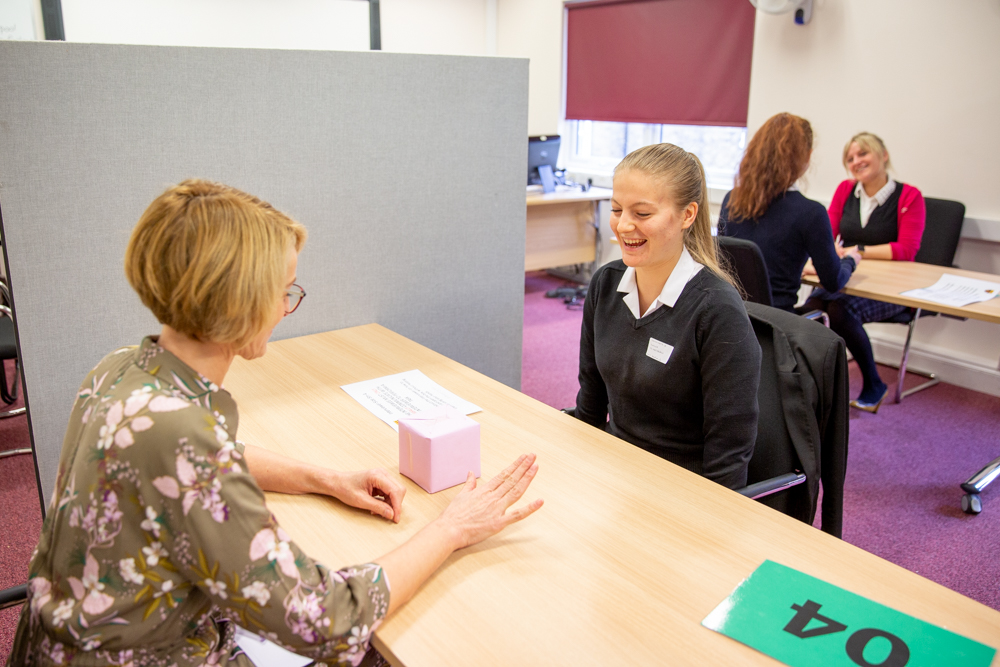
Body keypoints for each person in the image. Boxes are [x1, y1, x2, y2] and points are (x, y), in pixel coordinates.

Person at [9, 180, 543, 666]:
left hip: (59, 640)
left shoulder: (122, 368)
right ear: (239, 301)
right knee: (387, 648)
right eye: (285, 290)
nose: (288, 306)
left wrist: (324, 478)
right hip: (147, 655)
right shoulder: (181, 437)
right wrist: (451, 528)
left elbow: (212, 456)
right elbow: (326, 619)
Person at [574, 144, 761, 490]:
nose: (623, 225)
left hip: (680, 491)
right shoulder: (605, 284)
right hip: (614, 474)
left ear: (688, 215)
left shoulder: (716, 312)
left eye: (642, 214)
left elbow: (728, 461)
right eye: (616, 209)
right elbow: (589, 409)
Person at [802, 132, 926, 413]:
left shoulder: (909, 196)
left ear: (883, 155)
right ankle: (817, 385)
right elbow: (829, 236)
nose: (856, 161)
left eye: (863, 154)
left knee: (839, 312)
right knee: (812, 309)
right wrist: (843, 256)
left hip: (892, 286)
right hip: (851, 276)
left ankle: (874, 383)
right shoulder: (846, 190)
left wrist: (856, 251)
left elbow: (906, 249)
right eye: (850, 158)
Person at [718, 113, 862, 312]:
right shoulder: (811, 213)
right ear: (806, 157)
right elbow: (833, 281)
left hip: (731, 321)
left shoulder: (731, 200)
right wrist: (850, 261)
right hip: (777, 325)